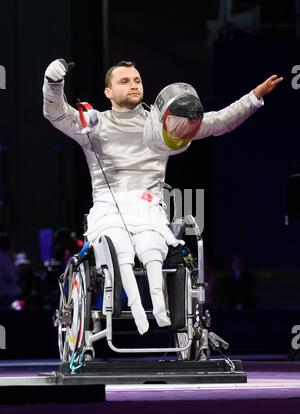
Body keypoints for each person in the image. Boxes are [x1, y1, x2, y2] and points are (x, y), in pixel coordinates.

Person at [43, 59, 282, 334]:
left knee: (151, 248)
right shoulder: (93, 123)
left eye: (137, 80)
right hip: (109, 206)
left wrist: (254, 98)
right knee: (118, 246)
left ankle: (160, 309)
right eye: (125, 81)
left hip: (148, 206)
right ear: (108, 92)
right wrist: (53, 84)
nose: (134, 84)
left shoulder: (163, 124)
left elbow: (217, 122)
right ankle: (131, 307)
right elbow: (56, 113)